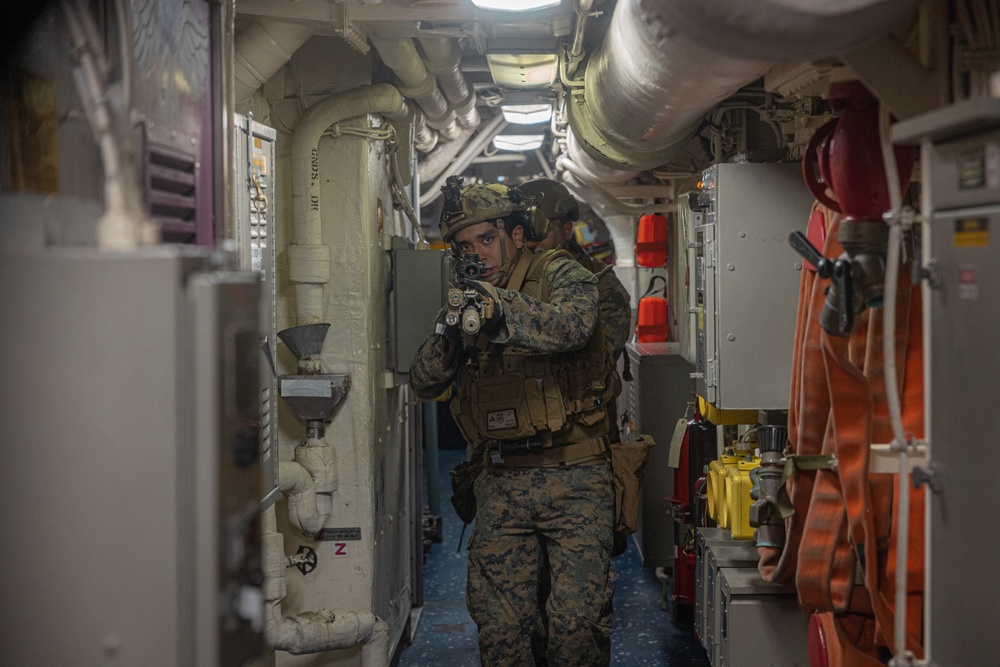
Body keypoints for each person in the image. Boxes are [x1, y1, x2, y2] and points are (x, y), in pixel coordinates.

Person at [410, 177, 618, 666]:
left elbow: (575, 325)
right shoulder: (467, 302)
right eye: (465, 245)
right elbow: (423, 380)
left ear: (517, 236)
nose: (477, 253)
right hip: (502, 482)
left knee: (574, 632)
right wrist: (453, 331)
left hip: (576, 480)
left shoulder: (559, 272)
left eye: (486, 239)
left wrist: (498, 308)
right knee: (502, 634)